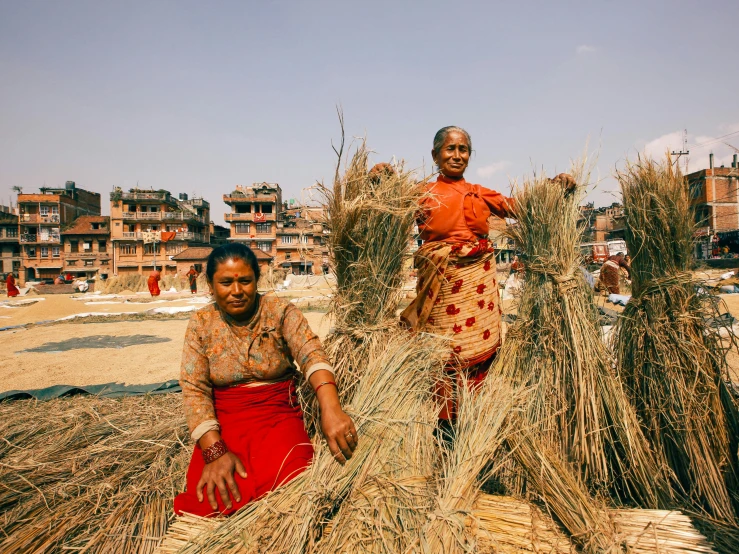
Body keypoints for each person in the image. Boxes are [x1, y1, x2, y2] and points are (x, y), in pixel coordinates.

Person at [401, 125, 574, 423]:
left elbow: (521, 208)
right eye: (450, 148)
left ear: (470, 155)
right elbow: (387, 208)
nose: (457, 155)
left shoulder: (480, 193)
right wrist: (383, 178)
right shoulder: (422, 194)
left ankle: (477, 418)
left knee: (479, 358)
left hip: (478, 293)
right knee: (444, 358)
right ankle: (444, 425)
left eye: (463, 149)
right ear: (435, 155)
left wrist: (554, 188)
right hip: (442, 293)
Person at [174, 243, 357, 517]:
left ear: (256, 281)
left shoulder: (279, 310)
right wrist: (214, 451)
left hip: (278, 413)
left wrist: (331, 410)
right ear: (211, 286)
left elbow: (311, 354)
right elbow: (194, 388)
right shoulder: (201, 322)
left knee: (294, 482)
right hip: (225, 420)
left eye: (245, 281)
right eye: (225, 283)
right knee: (211, 498)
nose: (237, 291)